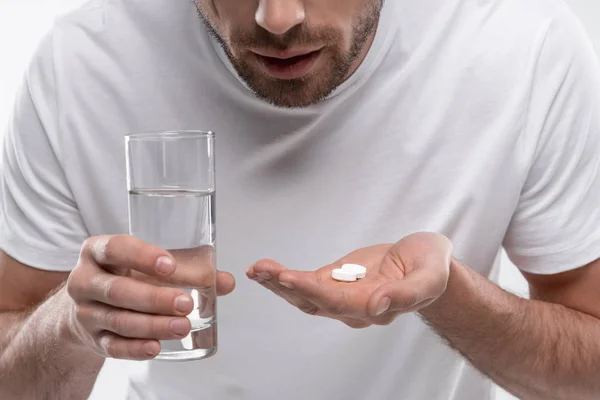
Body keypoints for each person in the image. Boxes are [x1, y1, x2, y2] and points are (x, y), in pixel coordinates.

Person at [1, 0, 599, 399]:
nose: (278, 18)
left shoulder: (522, 44)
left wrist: (449, 295)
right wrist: (72, 327)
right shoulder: (81, 61)